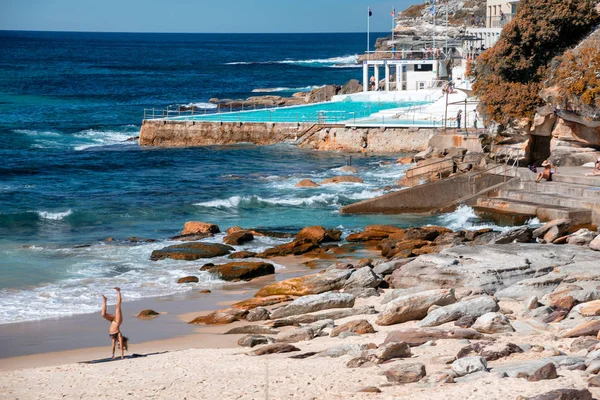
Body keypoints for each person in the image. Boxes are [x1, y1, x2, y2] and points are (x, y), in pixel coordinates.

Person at [101, 287, 129, 360]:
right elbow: (121, 348)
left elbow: (113, 346)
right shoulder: (119, 335)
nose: (118, 344)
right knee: (118, 306)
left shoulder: (113, 337)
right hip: (117, 321)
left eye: (118, 344)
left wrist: (112, 356)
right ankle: (119, 291)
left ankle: (105, 300)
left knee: (103, 314)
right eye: (120, 343)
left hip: (113, 321)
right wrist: (122, 357)